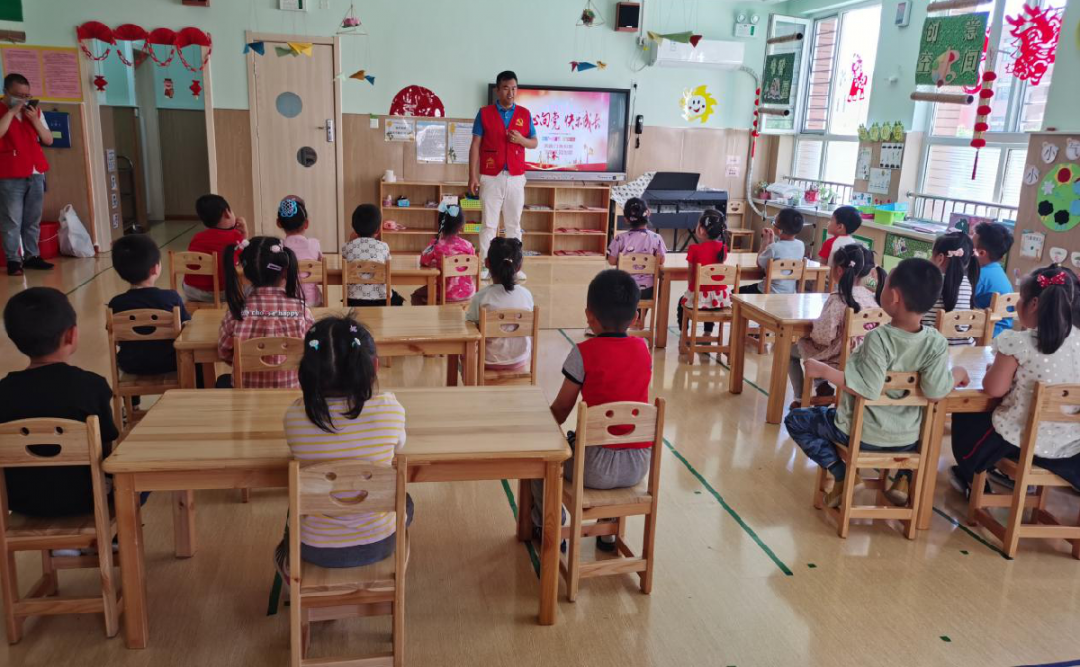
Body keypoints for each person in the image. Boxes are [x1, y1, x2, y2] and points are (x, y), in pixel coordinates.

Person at [784, 258, 969, 508]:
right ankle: (903, 477)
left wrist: (826, 372)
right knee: (925, 434)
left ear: (893, 296)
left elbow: (867, 388)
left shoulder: (878, 339)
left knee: (797, 420)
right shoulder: (936, 342)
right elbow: (936, 392)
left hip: (860, 434)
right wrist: (957, 374)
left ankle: (841, 473)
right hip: (908, 438)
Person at [273, 315, 412, 575]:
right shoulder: (390, 410)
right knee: (405, 499)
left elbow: (298, 453)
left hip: (314, 546)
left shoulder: (294, 417)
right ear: (375, 367)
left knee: (298, 504)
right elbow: (399, 445)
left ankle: (292, 571)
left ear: (306, 370)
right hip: (381, 541)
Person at [535, 269, 653, 552]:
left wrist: (538, 428)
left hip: (594, 467)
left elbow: (563, 408)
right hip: (639, 464)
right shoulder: (644, 349)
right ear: (636, 316)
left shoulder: (584, 352)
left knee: (540, 460)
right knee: (614, 433)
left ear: (589, 316)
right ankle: (609, 533)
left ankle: (550, 525)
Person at [951, 265, 1080, 495]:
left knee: (967, 414)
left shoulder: (1018, 343)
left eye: (1021, 299)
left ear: (1033, 304)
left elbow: (994, 388)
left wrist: (996, 370)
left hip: (1020, 441)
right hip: (1068, 448)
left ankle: (971, 473)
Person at [0, 287, 119, 516]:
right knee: (136, 481)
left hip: (21, 502)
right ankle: (109, 540)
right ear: (71, 335)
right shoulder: (92, 386)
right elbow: (105, 447)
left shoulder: (3, 393)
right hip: (86, 497)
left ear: (14, 339)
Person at [788, 244, 884, 409]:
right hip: (865, 356)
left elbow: (823, 336)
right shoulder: (874, 298)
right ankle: (822, 386)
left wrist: (812, 330)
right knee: (816, 349)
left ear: (839, 270)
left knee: (792, 350)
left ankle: (800, 398)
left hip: (839, 358)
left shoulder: (838, 299)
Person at [217, 236, 314, 388]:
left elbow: (224, 351)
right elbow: (311, 350)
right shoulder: (301, 310)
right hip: (291, 395)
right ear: (285, 272)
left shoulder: (236, 311)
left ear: (247, 275)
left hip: (247, 398)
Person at [468, 70, 537, 281]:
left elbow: (533, 142)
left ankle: (514, 267)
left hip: (516, 176)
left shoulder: (525, 114)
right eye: (506, 88)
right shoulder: (484, 113)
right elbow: (475, 145)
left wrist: (521, 140)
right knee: (489, 224)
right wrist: (472, 176)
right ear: (498, 90)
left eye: (514, 88)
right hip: (490, 175)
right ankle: (486, 266)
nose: (511, 92)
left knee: (513, 224)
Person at [108, 233, 191, 376]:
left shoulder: (116, 304)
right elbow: (187, 327)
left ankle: (132, 398)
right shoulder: (171, 298)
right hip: (170, 362)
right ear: (154, 269)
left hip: (130, 365)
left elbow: (117, 338)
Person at [1, 73, 55, 276]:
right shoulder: (2, 110)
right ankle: (13, 260)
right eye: (18, 95)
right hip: (10, 173)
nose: (23, 99)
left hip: (35, 172)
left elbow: (48, 139)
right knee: (12, 220)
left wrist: (35, 120)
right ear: (6, 92)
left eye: (27, 95)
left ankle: (32, 255)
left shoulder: (34, 112)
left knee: (32, 218)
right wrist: (11, 111)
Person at [466, 238, 534, 374]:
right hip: (519, 359)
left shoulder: (482, 297)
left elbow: (470, 329)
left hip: (487, 361)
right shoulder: (527, 295)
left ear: (487, 263)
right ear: (519, 267)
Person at [676, 209, 732, 339]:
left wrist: (690, 291)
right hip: (720, 298)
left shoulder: (694, 249)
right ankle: (707, 332)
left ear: (701, 230)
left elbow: (691, 275)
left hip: (699, 297)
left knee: (682, 302)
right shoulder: (723, 248)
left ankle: (683, 331)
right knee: (710, 301)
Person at [184, 194, 248, 303]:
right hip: (223, 293)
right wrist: (245, 234)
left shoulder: (196, 238)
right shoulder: (236, 237)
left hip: (192, 292)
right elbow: (247, 257)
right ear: (226, 213)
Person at [920, 231, 980, 344]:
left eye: (931, 255)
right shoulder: (968, 283)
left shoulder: (930, 283)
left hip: (931, 347)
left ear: (940, 258)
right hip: (963, 348)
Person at [341, 203, 404, 307]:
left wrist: (350, 241)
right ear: (378, 230)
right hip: (381, 299)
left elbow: (346, 258)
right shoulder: (384, 246)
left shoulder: (347, 247)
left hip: (354, 300)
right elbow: (388, 264)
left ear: (353, 227)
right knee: (399, 300)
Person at [413, 204, 477, 305]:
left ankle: (423, 318)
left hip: (444, 291)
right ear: (461, 225)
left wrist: (435, 261)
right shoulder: (468, 245)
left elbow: (424, 261)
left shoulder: (436, 244)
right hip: (468, 291)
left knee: (416, 294)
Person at [606, 197, 666, 299]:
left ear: (626, 219)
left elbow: (611, 261)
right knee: (640, 312)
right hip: (647, 289)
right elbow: (661, 260)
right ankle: (641, 316)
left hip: (624, 288)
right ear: (648, 213)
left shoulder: (620, 239)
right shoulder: (657, 238)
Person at [740, 207, 806, 294]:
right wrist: (771, 241)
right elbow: (783, 252)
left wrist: (764, 242)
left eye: (774, 223)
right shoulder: (800, 245)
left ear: (779, 230)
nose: (773, 224)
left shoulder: (774, 248)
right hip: (789, 294)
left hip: (768, 291)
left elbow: (759, 264)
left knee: (735, 292)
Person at [276, 195, 323, 307]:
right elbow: (320, 267)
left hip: (288, 304)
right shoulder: (314, 244)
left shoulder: (278, 248)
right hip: (311, 302)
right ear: (306, 224)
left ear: (278, 223)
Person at [973, 222, 1015, 337]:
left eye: (971, 247)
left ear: (981, 253)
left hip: (985, 334)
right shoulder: (998, 271)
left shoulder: (979, 276)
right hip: (1002, 333)